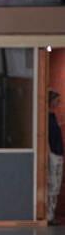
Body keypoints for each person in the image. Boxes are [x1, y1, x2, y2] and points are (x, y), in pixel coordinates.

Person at [50, 90, 63, 225]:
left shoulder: (54, 117)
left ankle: (52, 214)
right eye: (57, 101)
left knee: (57, 185)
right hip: (52, 154)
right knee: (52, 184)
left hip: (58, 153)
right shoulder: (47, 118)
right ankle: (49, 215)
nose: (58, 104)